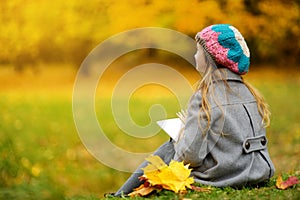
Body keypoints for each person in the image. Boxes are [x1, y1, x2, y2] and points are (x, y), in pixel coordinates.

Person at [113, 24, 275, 196]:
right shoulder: (250, 93)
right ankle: (121, 194)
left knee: (170, 146)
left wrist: (182, 134)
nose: (195, 56)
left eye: (198, 51)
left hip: (227, 175)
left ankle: (121, 194)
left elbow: (191, 156)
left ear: (210, 59)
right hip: (258, 171)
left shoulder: (205, 96)